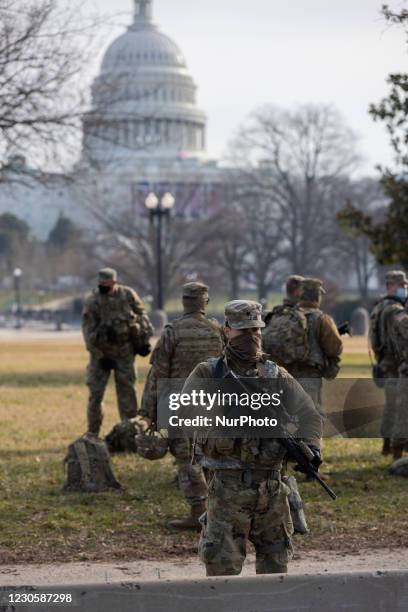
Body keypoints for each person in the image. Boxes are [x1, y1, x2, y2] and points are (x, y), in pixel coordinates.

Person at [183, 300, 322, 576]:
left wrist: (312, 449)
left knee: (275, 570)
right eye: (243, 331)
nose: (250, 337)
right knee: (222, 571)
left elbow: (310, 416)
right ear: (226, 331)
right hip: (227, 488)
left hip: (272, 488)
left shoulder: (276, 375)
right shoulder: (208, 373)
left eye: (255, 331)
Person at [140, 282, 224, 529]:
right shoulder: (217, 331)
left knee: (187, 460)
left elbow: (157, 375)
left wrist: (148, 412)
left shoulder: (172, 332)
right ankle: (216, 512)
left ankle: (198, 512)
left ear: (184, 302)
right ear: (205, 303)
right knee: (212, 457)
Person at [81, 267, 153, 437]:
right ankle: (92, 433)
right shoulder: (93, 301)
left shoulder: (127, 295)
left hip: (124, 353)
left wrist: (143, 341)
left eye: (106, 284)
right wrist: (100, 356)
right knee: (96, 395)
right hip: (101, 355)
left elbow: (142, 317)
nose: (102, 287)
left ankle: (129, 433)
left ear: (114, 282)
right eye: (100, 284)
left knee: (127, 393)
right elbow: (87, 332)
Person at [370, 270, 408, 455]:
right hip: (394, 362)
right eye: (402, 286)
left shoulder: (379, 307)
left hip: (384, 361)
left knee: (391, 405)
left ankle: (388, 445)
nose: (404, 289)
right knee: (397, 406)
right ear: (391, 285)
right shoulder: (395, 310)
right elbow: (403, 333)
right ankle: (395, 448)